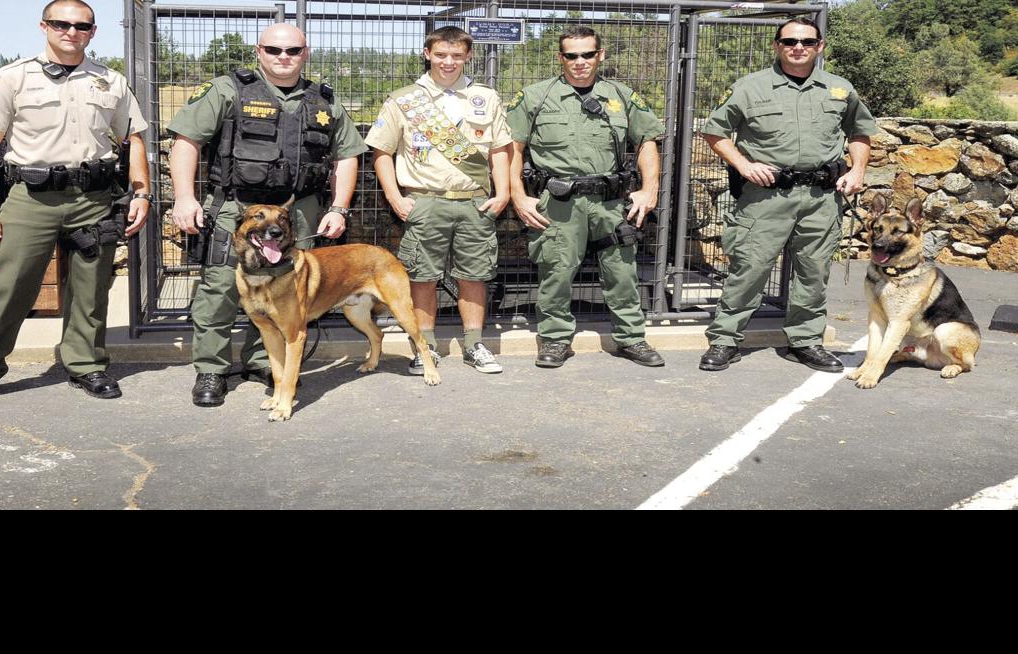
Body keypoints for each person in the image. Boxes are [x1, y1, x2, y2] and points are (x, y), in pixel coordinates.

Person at [0, 0, 150, 409]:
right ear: (44, 26)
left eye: (82, 26)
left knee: (91, 288)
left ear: (93, 32)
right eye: (62, 24)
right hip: (31, 200)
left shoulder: (111, 81)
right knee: (8, 287)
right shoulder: (13, 78)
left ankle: (86, 365)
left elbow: (133, 140)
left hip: (94, 199)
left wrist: (142, 192)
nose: (71, 32)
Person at [168, 23, 368, 407]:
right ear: (258, 51)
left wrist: (339, 207)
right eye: (274, 50)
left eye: (293, 51)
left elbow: (347, 155)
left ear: (304, 53)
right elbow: (186, 141)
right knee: (221, 289)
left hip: (299, 212)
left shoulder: (322, 99)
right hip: (236, 208)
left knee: (286, 295)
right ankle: (212, 368)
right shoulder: (229, 89)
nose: (284, 58)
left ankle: (264, 362)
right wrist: (184, 197)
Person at [697, 17, 873, 373]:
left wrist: (857, 170)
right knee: (749, 268)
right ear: (777, 45)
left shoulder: (839, 89)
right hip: (766, 198)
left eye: (807, 42)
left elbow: (860, 131)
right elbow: (715, 131)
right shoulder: (750, 87)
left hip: (822, 198)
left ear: (819, 46)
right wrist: (744, 166)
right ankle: (725, 339)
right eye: (790, 41)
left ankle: (806, 341)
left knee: (814, 271)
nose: (799, 48)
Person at [507, 25, 665, 369]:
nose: (579, 62)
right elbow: (513, 150)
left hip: (610, 202)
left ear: (600, 55)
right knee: (556, 272)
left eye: (587, 54)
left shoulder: (622, 96)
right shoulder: (535, 97)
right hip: (559, 203)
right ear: (560, 57)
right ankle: (554, 339)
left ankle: (631, 338)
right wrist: (518, 196)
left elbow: (646, 142)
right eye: (571, 55)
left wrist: (649, 189)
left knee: (622, 272)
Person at [366, 26, 512, 375]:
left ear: (468, 56)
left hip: (473, 202)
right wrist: (395, 197)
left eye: (457, 55)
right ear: (428, 53)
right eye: (442, 54)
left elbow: (500, 150)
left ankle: (475, 345)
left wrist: (503, 193)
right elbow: (381, 152)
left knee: (474, 276)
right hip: (424, 201)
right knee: (422, 277)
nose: (449, 62)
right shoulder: (403, 100)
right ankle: (425, 347)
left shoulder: (485, 97)